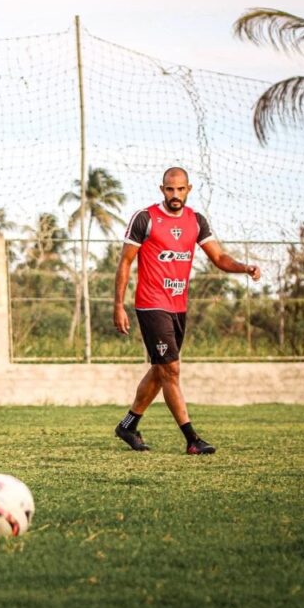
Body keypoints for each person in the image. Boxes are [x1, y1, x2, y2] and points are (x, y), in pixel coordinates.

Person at [113, 166, 261, 455]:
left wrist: (245, 267)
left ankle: (128, 426)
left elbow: (218, 257)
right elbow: (125, 263)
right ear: (162, 190)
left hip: (178, 306)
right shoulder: (145, 219)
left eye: (180, 189)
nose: (175, 194)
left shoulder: (196, 221)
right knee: (172, 369)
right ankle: (192, 439)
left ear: (188, 189)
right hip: (151, 303)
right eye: (170, 189)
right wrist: (119, 305)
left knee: (161, 371)